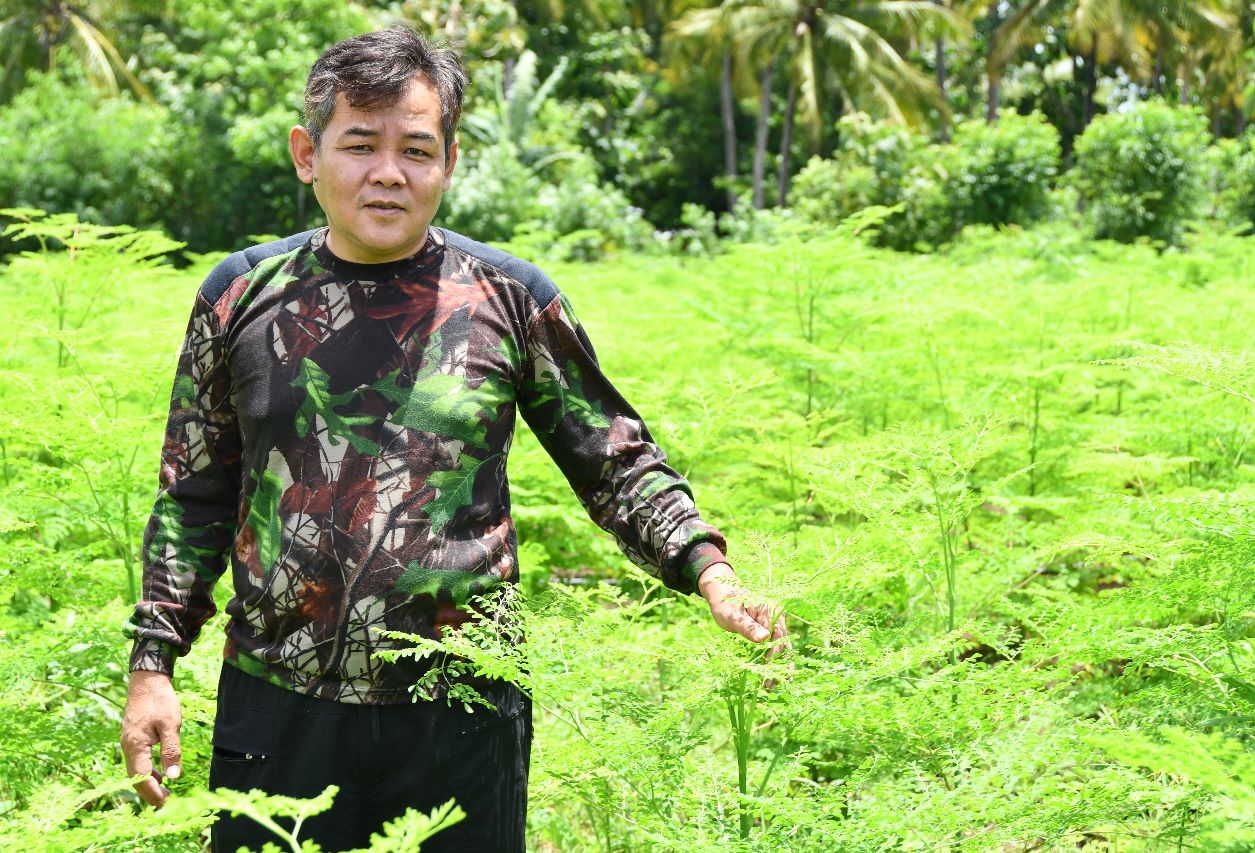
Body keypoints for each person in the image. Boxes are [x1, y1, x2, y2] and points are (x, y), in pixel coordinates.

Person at [119, 27, 785, 852]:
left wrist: (708, 569)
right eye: (359, 144)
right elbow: (193, 494)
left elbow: (612, 460)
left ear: (451, 161)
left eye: (416, 149)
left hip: (462, 709)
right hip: (279, 705)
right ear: (306, 153)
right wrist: (153, 665)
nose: (388, 172)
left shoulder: (509, 299)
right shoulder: (241, 297)